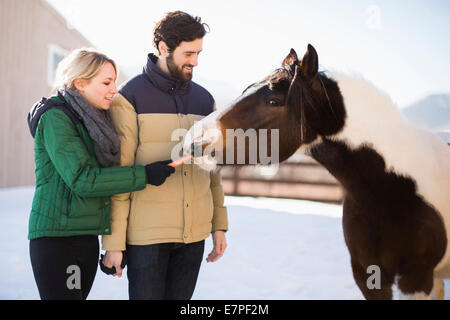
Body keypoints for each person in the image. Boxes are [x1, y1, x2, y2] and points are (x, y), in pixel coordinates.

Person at [27, 48, 175, 300]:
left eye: (114, 81)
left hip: (85, 238)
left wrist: (115, 245)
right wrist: (144, 175)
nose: (114, 89)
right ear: (80, 83)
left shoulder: (95, 120)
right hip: (58, 240)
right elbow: (84, 179)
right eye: (106, 82)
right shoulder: (56, 118)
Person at [101, 11, 229, 300]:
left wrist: (219, 225)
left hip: (193, 237)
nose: (195, 61)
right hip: (148, 239)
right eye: (188, 53)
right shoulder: (129, 97)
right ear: (163, 48)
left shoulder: (205, 99)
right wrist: (114, 243)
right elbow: (122, 173)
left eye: (199, 53)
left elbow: (213, 169)